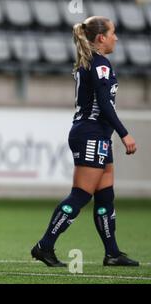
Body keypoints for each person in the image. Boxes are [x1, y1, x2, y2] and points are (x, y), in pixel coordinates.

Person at [31, 16, 139, 267]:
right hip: (91, 134)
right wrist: (124, 133)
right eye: (113, 32)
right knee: (80, 195)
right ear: (101, 38)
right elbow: (104, 104)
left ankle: (112, 253)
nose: (116, 37)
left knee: (105, 196)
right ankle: (44, 246)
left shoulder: (92, 63)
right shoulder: (100, 64)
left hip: (97, 135)